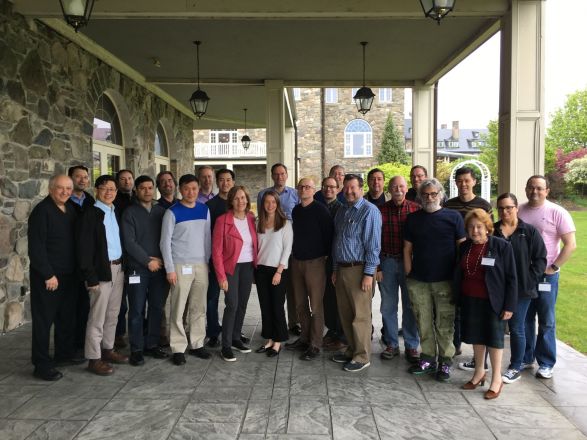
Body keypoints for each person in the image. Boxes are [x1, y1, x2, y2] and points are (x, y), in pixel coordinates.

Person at [404, 178, 465, 382]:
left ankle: (445, 361)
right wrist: (408, 273)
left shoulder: (453, 217)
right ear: (420, 197)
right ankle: (428, 358)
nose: (429, 197)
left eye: (433, 194)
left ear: (441, 194)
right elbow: (407, 249)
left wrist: (459, 276)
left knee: (445, 323)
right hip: (419, 280)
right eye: (425, 194)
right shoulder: (413, 219)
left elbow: (461, 248)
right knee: (423, 321)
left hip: (445, 280)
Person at [519, 175, 577, 379]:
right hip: (525, 275)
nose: (534, 191)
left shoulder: (557, 212)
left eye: (539, 188)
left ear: (547, 191)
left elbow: (570, 244)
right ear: (526, 189)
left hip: (546, 276)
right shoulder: (520, 210)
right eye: (530, 187)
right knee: (525, 317)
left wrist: (553, 267)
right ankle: (526, 358)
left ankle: (546, 362)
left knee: (546, 320)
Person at [456, 209, 517, 400]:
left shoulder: (501, 246)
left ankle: (496, 378)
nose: (475, 231)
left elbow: (512, 278)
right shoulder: (465, 246)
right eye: (471, 227)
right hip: (470, 300)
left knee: (494, 339)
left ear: (487, 227)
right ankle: (479, 372)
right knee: (477, 338)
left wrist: (509, 306)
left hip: (493, 301)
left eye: (479, 227)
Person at [28, 175, 80, 381]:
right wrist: (48, 274)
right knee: (44, 321)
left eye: (68, 188)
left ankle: (63, 354)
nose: (65, 192)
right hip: (48, 277)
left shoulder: (70, 210)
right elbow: (36, 247)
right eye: (60, 188)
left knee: (66, 318)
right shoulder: (42, 211)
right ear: (50, 189)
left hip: (69, 275)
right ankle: (41, 364)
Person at [77, 175, 128, 375]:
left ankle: (108, 349)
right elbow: (84, 249)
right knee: (97, 316)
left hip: (118, 268)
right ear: (97, 189)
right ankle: (93, 358)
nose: (109, 192)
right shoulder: (90, 214)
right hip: (100, 270)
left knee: (113, 313)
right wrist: (90, 276)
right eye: (105, 188)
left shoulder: (115, 211)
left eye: (113, 189)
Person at [493, 193, 547, 384]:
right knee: (494, 327)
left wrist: (530, 280)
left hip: (521, 290)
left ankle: (516, 366)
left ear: (516, 208)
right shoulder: (493, 230)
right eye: (501, 208)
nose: (505, 211)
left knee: (517, 328)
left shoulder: (529, 231)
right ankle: (485, 362)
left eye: (509, 207)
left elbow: (541, 259)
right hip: (497, 290)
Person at [331, 174, 381, 372]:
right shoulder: (342, 211)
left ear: (361, 189)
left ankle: (362, 356)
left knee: (360, 316)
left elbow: (373, 246)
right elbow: (337, 242)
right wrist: (335, 269)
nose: (349, 192)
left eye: (353, 188)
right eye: (346, 188)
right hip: (342, 268)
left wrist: (369, 274)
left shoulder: (370, 211)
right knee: (345, 314)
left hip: (360, 270)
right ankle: (352, 349)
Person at [160, 174, 212, 366]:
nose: (191, 192)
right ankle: (178, 347)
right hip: (180, 267)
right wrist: (169, 269)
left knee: (199, 308)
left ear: (198, 189)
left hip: (200, 266)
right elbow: (164, 242)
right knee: (178, 307)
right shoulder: (172, 212)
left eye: (194, 188)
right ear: (180, 190)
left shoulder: (204, 209)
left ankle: (197, 344)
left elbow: (207, 238)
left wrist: (206, 262)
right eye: (187, 188)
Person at [445, 166, 493, 360]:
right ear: (456, 182)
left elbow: (490, 233)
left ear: (474, 181)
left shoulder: (483, 205)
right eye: (460, 180)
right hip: (455, 261)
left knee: (477, 308)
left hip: (478, 262)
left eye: (467, 180)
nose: (463, 184)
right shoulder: (449, 205)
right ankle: (455, 345)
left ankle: (478, 354)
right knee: (456, 305)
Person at [121, 175, 168, 366]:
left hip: (160, 269)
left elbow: (169, 238)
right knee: (137, 310)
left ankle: (152, 344)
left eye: (150, 188)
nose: (147, 191)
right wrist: (147, 261)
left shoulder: (162, 212)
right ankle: (137, 349)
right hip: (137, 269)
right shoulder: (129, 213)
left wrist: (162, 260)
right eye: (143, 188)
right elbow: (129, 242)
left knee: (157, 308)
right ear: (136, 190)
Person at [286, 178, 333, 361]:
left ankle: (315, 344)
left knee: (316, 306)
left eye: (308, 187)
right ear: (298, 190)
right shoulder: (296, 210)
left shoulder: (321, 210)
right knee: (300, 304)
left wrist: (326, 259)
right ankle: (304, 338)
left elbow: (329, 236)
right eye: (301, 186)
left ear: (314, 190)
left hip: (315, 263)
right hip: (297, 262)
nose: (304, 189)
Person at [377, 176, 420, 363]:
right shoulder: (380, 210)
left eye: (401, 186)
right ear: (389, 189)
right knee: (388, 306)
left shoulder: (416, 209)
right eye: (394, 186)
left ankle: (411, 345)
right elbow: (374, 241)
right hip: (387, 262)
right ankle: (392, 344)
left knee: (410, 305)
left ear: (406, 188)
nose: (398, 189)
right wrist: (377, 266)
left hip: (409, 263)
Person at [213, 186, 258, 362]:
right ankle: (225, 346)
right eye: (237, 198)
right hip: (230, 267)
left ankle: (236, 338)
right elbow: (216, 251)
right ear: (231, 201)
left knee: (242, 304)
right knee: (232, 304)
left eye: (243, 198)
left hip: (247, 266)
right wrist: (221, 276)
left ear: (247, 199)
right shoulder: (222, 221)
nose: (241, 201)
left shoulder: (251, 218)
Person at [257, 163, 300, 335]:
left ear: (287, 175)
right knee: (268, 301)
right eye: (276, 174)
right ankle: (269, 334)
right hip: (266, 260)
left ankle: (290, 325)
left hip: (288, 251)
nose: (280, 176)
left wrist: (279, 270)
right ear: (272, 175)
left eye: (282, 173)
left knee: (286, 294)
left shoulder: (295, 194)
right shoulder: (262, 195)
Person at [254, 190, 293, 357]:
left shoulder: (285, 224)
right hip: (261, 270)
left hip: (278, 270)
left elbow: (287, 249)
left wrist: (279, 271)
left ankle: (278, 341)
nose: (270, 205)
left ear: (277, 204)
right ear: (263, 204)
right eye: (267, 202)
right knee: (265, 306)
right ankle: (269, 338)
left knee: (277, 306)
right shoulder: (258, 223)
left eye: (273, 202)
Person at [66, 165, 95, 358]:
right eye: (79, 177)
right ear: (70, 179)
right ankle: (70, 347)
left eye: (85, 177)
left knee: (85, 306)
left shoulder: (90, 201)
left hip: (87, 261)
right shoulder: (64, 202)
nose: (83, 180)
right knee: (69, 308)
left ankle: (82, 343)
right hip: (68, 261)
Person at [205, 168, 236, 348]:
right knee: (212, 298)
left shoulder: (238, 204)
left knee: (233, 300)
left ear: (233, 182)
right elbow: (206, 235)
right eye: (222, 180)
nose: (225, 183)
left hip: (233, 261)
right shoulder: (210, 206)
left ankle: (233, 331)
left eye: (228, 179)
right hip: (215, 260)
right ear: (217, 183)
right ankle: (214, 332)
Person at [316, 177, 346, 350]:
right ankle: (332, 330)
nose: (329, 189)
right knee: (327, 298)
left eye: (332, 187)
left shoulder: (341, 209)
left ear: (338, 189)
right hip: (321, 260)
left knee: (338, 298)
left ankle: (341, 334)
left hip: (336, 259)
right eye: (326, 186)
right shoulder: (319, 207)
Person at [113, 169, 135, 349]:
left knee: (137, 299)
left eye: (129, 178)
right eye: (123, 179)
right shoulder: (114, 201)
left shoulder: (138, 198)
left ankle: (139, 331)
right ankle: (118, 333)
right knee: (120, 301)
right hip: (120, 255)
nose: (127, 182)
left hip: (136, 257)